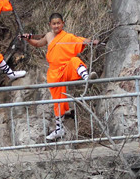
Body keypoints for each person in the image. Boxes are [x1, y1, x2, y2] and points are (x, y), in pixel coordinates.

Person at [22, 13, 99, 141]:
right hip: (53, 73)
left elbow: (79, 40)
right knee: (58, 100)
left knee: (74, 60)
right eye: (54, 23)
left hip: (65, 68)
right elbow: (37, 43)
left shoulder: (68, 36)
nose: (56, 25)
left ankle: (86, 78)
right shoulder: (48, 36)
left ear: (63, 23)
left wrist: (91, 42)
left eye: (58, 23)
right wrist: (28, 39)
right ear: (50, 25)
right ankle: (59, 129)